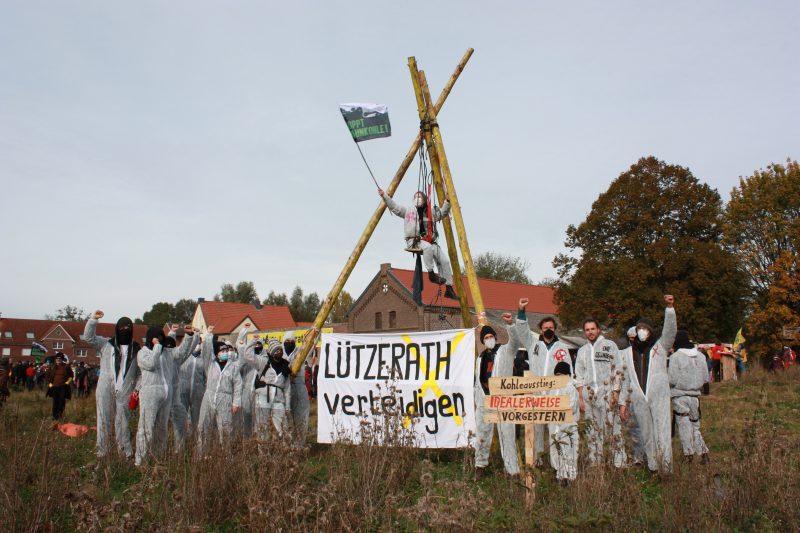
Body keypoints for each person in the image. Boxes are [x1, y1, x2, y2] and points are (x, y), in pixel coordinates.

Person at [509, 300, 574, 467]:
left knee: (556, 431)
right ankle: (536, 463)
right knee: (536, 431)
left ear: (555, 329)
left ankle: (558, 464)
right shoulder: (533, 344)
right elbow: (523, 331)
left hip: (555, 396)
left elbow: (569, 373)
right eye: (545, 327)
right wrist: (522, 310)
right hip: (536, 395)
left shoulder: (562, 348)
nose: (548, 330)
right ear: (540, 329)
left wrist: (568, 395)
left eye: (551, 327)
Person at [626, 295, 678, 473]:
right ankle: (654, 467)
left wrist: (669, 309)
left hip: (658, 396)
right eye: (639, 328)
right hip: (639, 397)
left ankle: (666, 468)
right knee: (646, 433)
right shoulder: (629, 352)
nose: (642, 332)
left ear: (650, 331)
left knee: (662, 431)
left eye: (645, 329)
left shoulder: (660, 347)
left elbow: (670, 332)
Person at [378, 187, 457, 299]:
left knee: (445, 261)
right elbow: (395, 208)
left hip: (429, 241)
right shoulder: (409, 211)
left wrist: (447, 201)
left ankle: (449, 288)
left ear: (424, 199)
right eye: (415, 197)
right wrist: (384, 196)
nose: (417, 199)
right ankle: (431, 274)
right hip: (415, 241)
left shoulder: (431, 212)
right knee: (428, 248)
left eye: (419, 197)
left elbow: (442, 213)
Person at [135, 325, 197, 465]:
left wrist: (188, 336)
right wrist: (156, 348)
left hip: (166, 395)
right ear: (150, 339)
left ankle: (158, 457)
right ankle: (140, 461)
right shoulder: (142, 353)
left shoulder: (168, 352)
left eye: (161, 338)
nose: (160, 341)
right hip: (150, 394)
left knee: (161, 429)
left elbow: (182, 353)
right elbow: (151, 364)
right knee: (146, 428)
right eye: (157, 338)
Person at [84, 310, 141, 459]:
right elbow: (89, 338)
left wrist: (137, 389)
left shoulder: (136, 349)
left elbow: (141, 373)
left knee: (123, 423)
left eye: (128, 328)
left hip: (126, 390)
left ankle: (125, 454)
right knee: (103, 421)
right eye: (122, 328)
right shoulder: (106, 344)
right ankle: (102, 454)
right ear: (117, 329)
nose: (124, 331)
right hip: (105, 389)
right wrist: (92, 320)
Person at [574, 319, 627, 468]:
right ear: (584, 332)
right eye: (587, 330)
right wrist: (581, 397)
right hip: (589, 395)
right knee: (592, 430)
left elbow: (617, 369)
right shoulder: (582, 351)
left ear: (598, 330)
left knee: (613, 428)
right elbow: (579, 375)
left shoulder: (609, 346)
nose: (590, 332)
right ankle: (595, 462)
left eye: (593, 329)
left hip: (607, 394)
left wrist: (616, 393)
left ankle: (619, 463)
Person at [473, 313, 520, 479]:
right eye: (486, 337)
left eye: (491, 336)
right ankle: (480, 466)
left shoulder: (505, 351)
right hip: (485, 400)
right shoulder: (481, 358)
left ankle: (512, 471)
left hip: (503, 400)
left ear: (495, 336)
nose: (489, 339)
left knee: (507, 435)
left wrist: (510, 325)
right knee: (482, 435)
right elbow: (478, 381)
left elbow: (515, 342)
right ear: (483, 341)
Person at [196, 327, 243, 452]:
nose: (226, 352)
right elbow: (206, 351)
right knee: (203, 426)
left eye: (226, 350)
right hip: (209, 397)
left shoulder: (232, 366)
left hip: (226, 398)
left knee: (226, 428)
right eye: (222, 350)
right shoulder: (210, 364)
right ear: (216, 353)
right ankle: (201, 454)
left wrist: (236, 402)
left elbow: (238, 385)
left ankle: (226, 456)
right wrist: (209, 335)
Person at [668, 330, 709, 464]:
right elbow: (705, 378)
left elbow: (672, 379)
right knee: (695, 426)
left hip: (680, 395)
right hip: (695, 397)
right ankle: (703, 453)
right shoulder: (701, 356)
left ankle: (689, 455)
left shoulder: (675, 357)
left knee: (684, 426)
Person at [244, 337, 292, 439]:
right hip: (263, 398)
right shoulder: (263, 362)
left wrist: (287, 406)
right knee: (262, 427)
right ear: (271, 351)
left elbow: (287, 389)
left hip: (279, 399)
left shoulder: (285, 366)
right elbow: (248, 355)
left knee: (283, 427)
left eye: (280, 350)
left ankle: (287, 451)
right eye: (276, 350)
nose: (278, 352)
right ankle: (263, 452)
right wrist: (253, 342)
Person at [548, 361, 579, 483]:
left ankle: (569, 477)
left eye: (562, 374)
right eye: (557, 374)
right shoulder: (553, 389)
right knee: (555, 450)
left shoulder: (571, 388)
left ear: (567, 375)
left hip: (568, 426)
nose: (559, 377)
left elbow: (571, 407)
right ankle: (559, 474)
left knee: (569, 451)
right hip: (554, 426)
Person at [284, 331, 310, 448]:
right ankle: (288, 446)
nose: (289, 343)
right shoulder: (281, 355)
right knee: (287, 419)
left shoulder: (300, 352)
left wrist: (315, 333)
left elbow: (311, 345)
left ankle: (299, 445)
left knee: (301, 418)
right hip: (285, 390)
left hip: (299, 388)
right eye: (287, 341)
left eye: (292, 341)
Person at [179, 338, 206, 434]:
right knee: (181, 418)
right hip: (183, 392)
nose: (197, 345)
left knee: (197, 419)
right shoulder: (184, 357)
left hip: (197, 393)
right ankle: (180, 445)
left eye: (199, 343)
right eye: (196, 343)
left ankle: (195, 442)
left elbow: (205, 377)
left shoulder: (203, 359)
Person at [46, 352, 74, 420]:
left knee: (62, 401)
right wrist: (49, 383)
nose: (58, 360)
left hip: (63, 387)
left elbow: (71, 376)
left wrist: (67, 382)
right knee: (55, 401)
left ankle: (60, 415)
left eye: (59, 358)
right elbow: (47, 376)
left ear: (62, 359)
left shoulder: (66, 367)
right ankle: (54, 416)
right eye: (57, 358)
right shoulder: (52, 366)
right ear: (55, 359)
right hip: (54, 387)